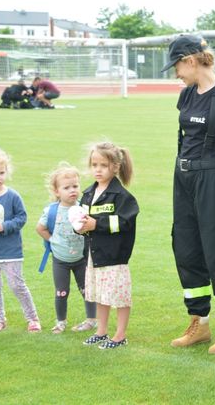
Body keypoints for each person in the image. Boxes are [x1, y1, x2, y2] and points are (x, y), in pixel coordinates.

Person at [163, 35, 215, 354]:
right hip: (182, 176)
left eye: (178, 66)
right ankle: (198, 321)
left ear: (192, 60)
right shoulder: (186, 96)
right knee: (186, 247)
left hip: (213, 175)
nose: (176, 74)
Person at [78, 142, 139, 349]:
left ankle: (120, 335)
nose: (97, 169)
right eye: (94, 164)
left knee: (119, 297)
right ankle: (101, 331)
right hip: (94, 255)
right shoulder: (87, 193)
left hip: (114, 257)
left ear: (115, 167)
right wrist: (79, 226)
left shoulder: (122, 197)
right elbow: (80, 218)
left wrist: (97, 224)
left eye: (103, 165)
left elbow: (125, 222)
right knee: (100, 294)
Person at [36, 162, 97, 334]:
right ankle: (61, 322)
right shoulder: (51, 211)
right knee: (61, 292)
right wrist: (53, 240)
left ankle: (91, 320)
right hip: (60, 260)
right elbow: (40, 228)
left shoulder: (83, 207)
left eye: (75, 186)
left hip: (81, 259)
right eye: (66, 187)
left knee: (87, 290)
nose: (72, 190)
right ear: (57, 191)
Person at [0, 147, 41, 334]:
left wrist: (4, 226)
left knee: (17, 285)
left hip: (11, 251)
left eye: (1, 172)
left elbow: (21, 218)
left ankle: (32, 318)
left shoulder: (12, 196)